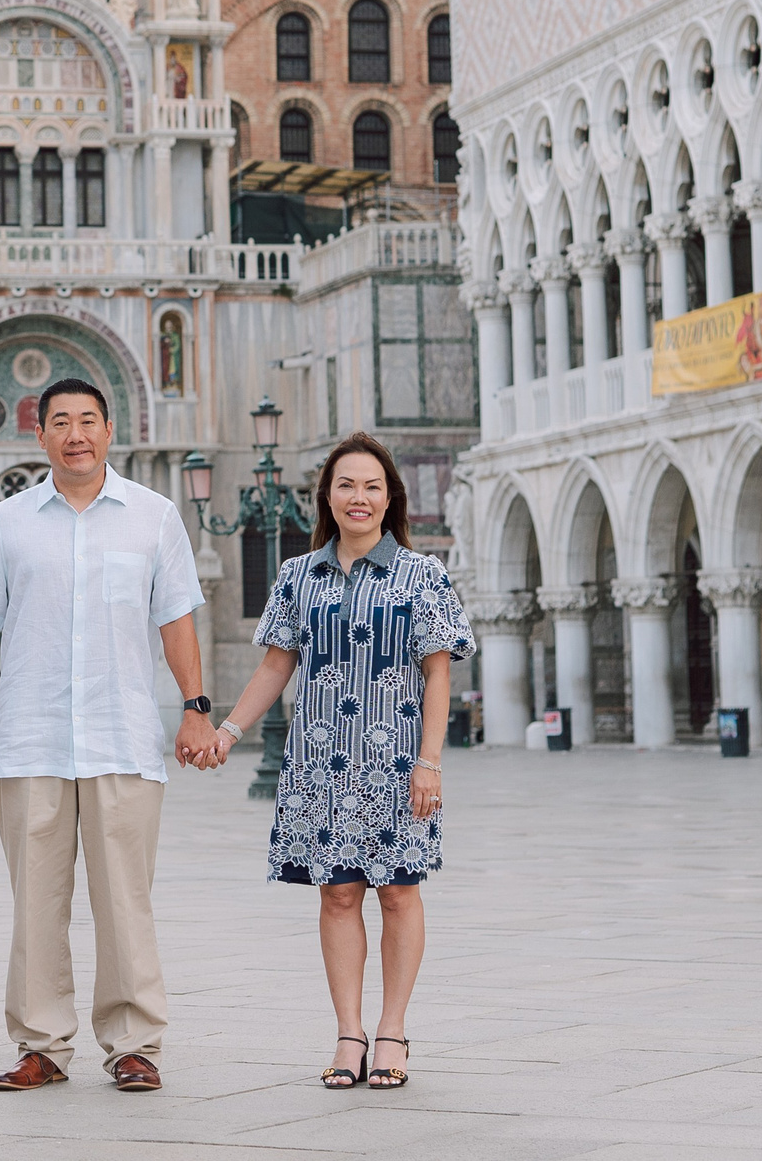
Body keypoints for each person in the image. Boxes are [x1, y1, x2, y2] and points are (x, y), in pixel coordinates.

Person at [0, 378, 214, 1093]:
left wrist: (197, 705)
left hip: (123, 736)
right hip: (31, 735)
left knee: (126, 900)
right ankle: (42, 1045)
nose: (76, 433)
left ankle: (134, 1043)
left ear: (110, 430)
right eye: (60, 422)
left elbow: (176, 617)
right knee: (35, 902)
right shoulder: (7, 523)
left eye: (88, 420)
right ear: (40, 435)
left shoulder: (153, 516)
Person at [210, 432, 475, 1090]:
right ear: (326, 496)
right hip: (320, 765)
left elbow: (438, 675)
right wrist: (228, 728)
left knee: (400, 891)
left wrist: (431, 762)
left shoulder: (423, 574)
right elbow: (277, 664)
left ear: (391, 498)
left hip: (397, 764)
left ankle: (393, 1029)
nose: (360, 497)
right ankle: (348, 1031)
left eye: (372, 486)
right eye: (347, 485)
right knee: (337, 894)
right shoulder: (299, 576)